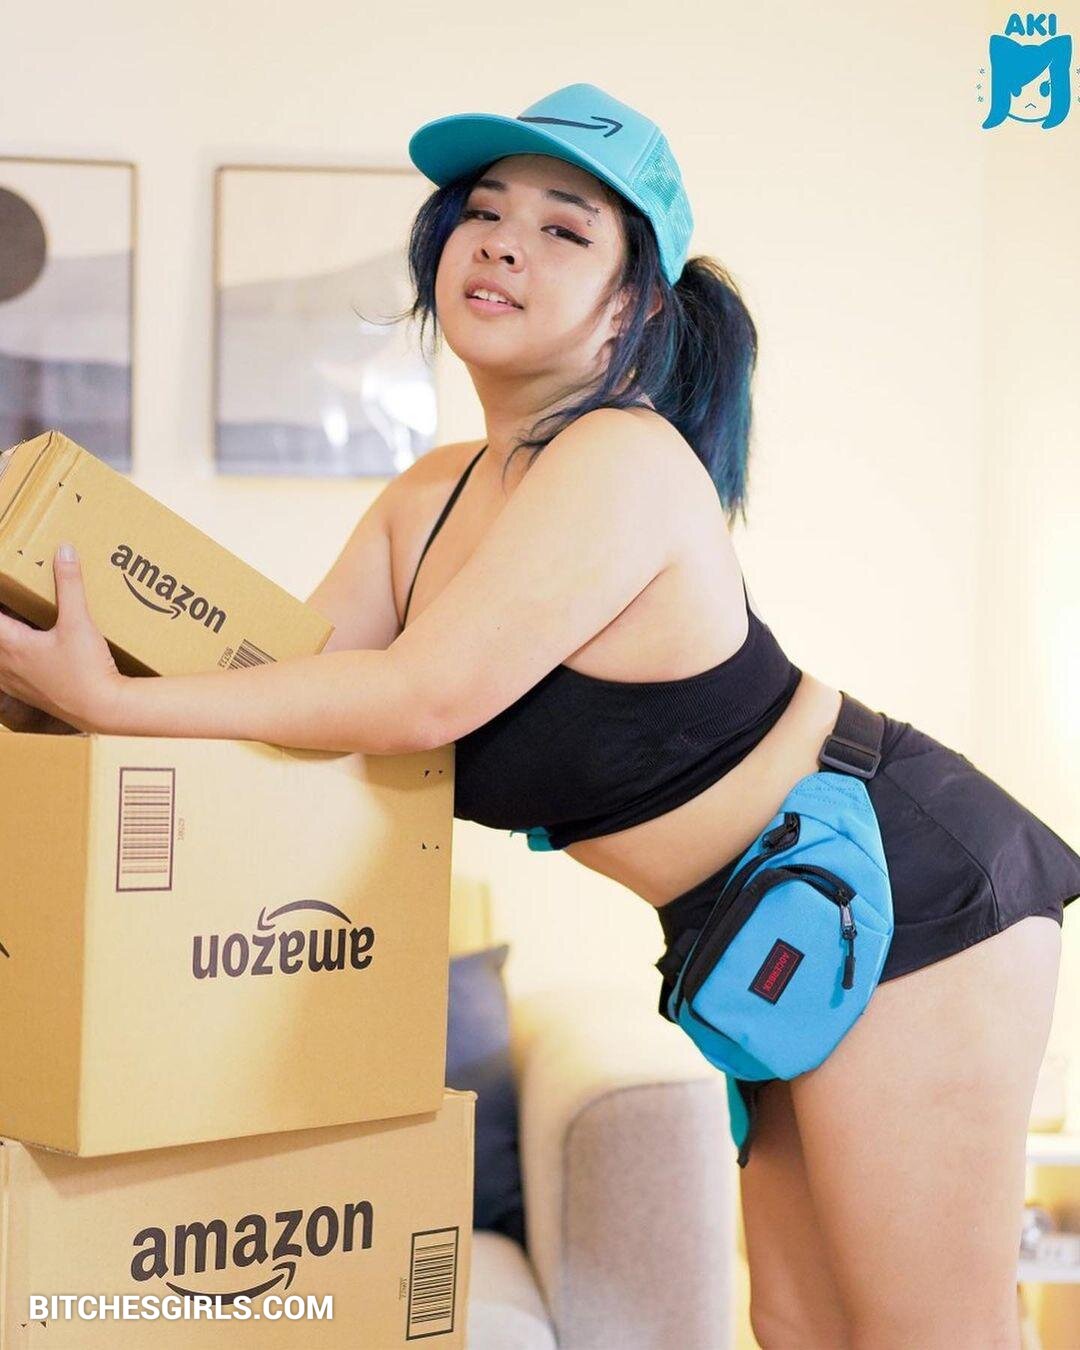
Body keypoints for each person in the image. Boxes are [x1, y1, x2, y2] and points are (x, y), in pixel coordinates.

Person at [1, 81, 1078, 1349]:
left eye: (565, 229)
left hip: (900, 884)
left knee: (926, 1332)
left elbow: (419, 697)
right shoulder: (429, 498)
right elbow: (288, 694)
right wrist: (67, 698)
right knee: (797, 1323)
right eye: (484, 213)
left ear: (633, 307)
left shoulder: (624, 458)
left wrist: (118, 700)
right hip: (751, 922)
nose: (504, 243)